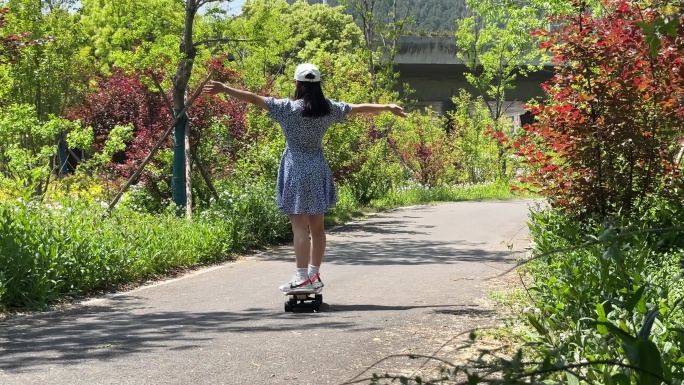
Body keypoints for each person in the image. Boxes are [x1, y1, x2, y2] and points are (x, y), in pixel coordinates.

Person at [202, 63, 407, 293]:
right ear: (318, 85)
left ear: (298, 84)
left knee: (299, 228)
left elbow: (254, 99)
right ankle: (313, 275)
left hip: (296, 169)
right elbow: (358, 108)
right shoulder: (328, 109)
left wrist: (225, 88)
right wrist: (388, 107)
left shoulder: (286, 108)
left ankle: (301, 278)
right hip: (317, 168)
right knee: (317, 228)